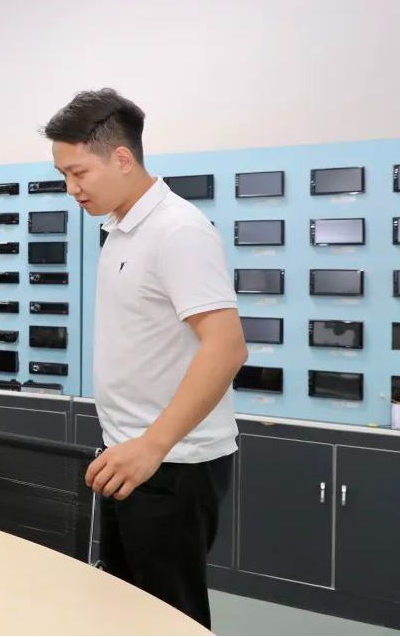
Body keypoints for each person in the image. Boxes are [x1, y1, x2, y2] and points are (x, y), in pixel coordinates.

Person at [43, 89, 247, 628]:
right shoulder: (119, 228)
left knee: (169, 616)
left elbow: (226, 346)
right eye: (63, 175)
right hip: (129, 454)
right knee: (127, 608)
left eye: (79, 173)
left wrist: (153, 445)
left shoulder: (178, 231)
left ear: (122, 158)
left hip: (171, 462)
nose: (71, 188)